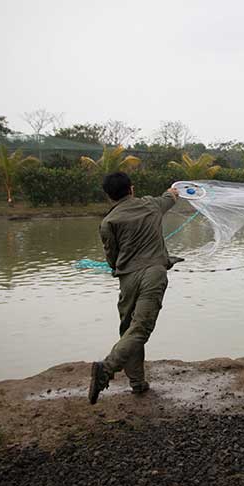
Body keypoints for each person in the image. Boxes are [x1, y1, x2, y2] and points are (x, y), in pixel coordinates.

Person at [88, 172, 181, 404]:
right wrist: (174, 190)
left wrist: (118, 266)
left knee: (129, 329)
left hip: (127, 278)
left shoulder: (108, 222)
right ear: (132, 188)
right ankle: (106, 370)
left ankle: (137, 383)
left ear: (109, 196)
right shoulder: (151, 205)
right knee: (140, 330)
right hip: (153, 276)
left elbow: (111, 256)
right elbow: (170, 197)